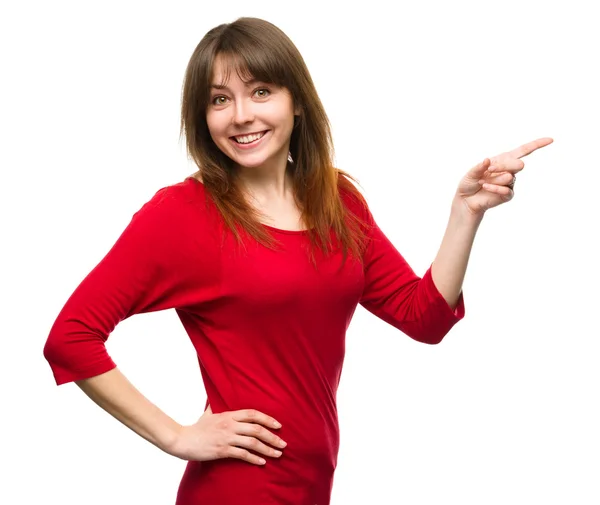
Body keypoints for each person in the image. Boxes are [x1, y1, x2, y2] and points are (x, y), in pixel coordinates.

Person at [43, 16, 553, 505]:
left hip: (312, 485)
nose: (241, 114)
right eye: (220, 100)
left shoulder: (337, 199)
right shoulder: (182, 214)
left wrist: (465, 213)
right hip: (237, 491)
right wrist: (175, 436)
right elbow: (71, 338)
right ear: (204, 117)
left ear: (297, 102)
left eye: (261, 91)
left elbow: (423, 317)